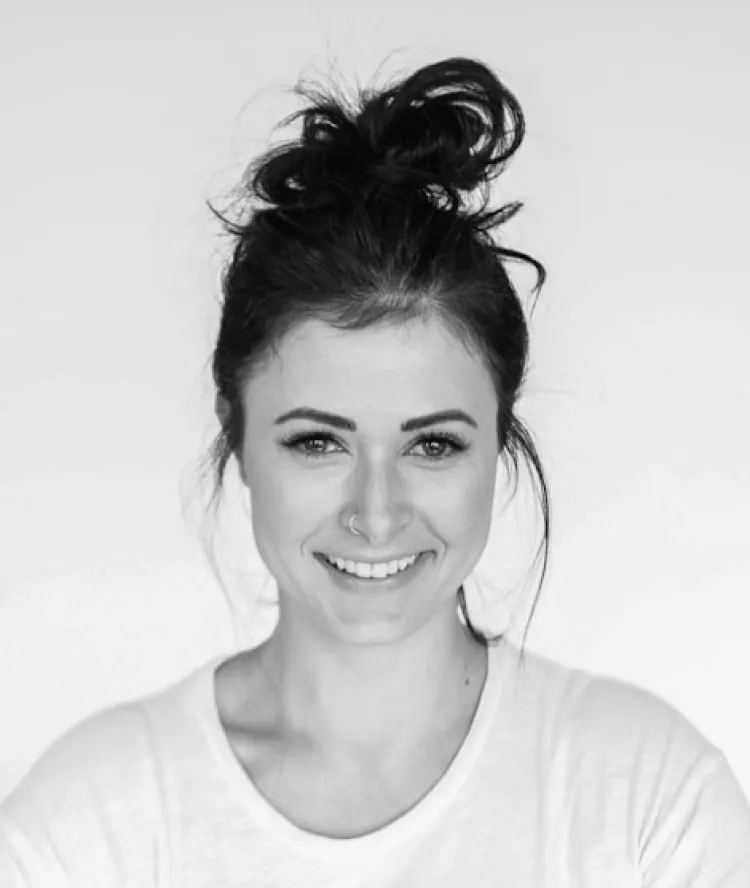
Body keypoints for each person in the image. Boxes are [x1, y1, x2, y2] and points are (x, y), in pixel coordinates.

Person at [1, 55, 749, 887]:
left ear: (499, 444)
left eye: (434, 445)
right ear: (236, 437)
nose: (377, 512)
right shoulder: (88, 827)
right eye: (318, 443)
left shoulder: (651, 805)